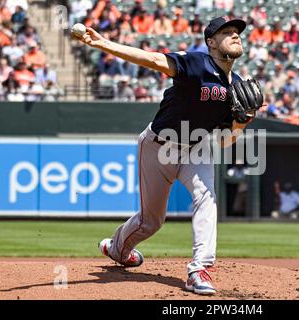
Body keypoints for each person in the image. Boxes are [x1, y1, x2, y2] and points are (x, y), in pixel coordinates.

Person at [73, 16, 253, 296]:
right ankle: (117, 248)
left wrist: (242, 123)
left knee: (207, 199)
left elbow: (226, 141)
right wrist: (103, 43)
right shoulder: (196, 63)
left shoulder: (237, 87)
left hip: (197, 147)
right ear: (210, 42)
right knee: (151, 221)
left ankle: (199, 270)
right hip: (159, 146)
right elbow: (152, 60)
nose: (235, 35)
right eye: (226, 32)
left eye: (236, 32)